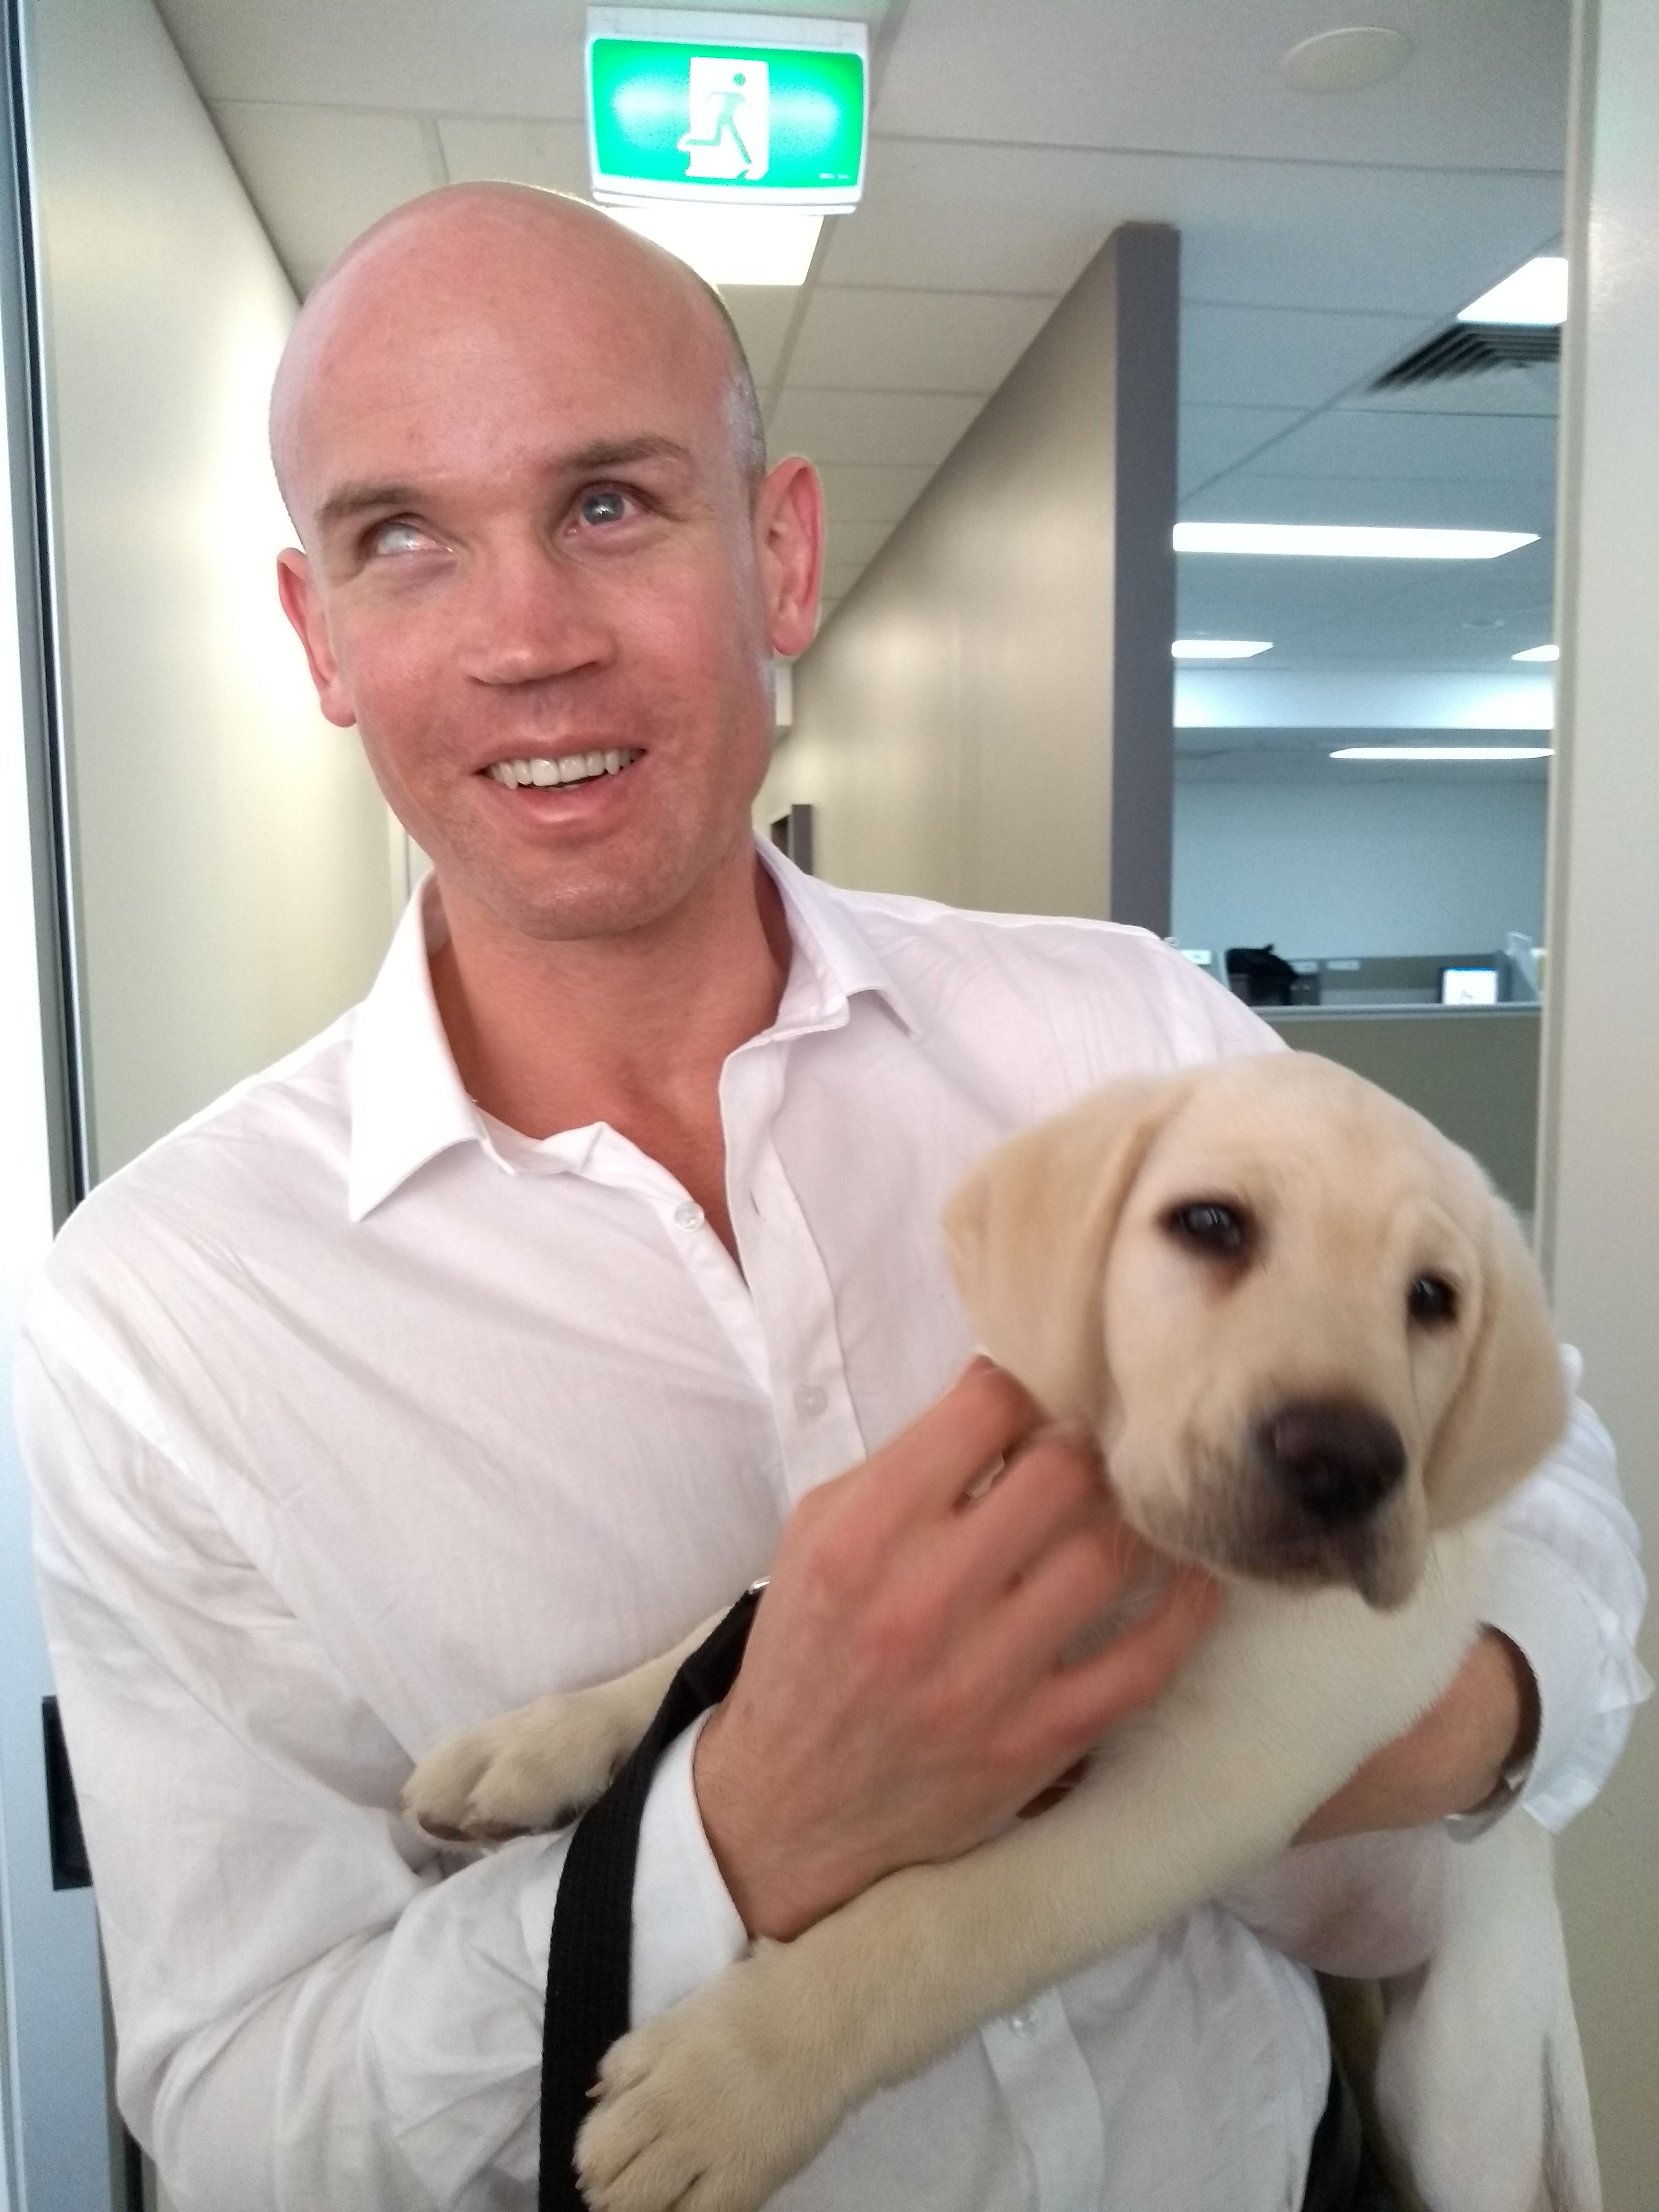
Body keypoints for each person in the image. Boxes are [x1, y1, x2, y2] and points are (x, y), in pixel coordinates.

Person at [15, 185, 1646, 2212]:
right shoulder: (159, 1311)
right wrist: (748, 1833)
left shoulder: (1123, 1028)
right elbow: (254, 2120)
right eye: (403, 539)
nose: (528, 636)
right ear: (316, 634)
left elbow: (1545, 1472)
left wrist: (1383, 1729)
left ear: (774, 548)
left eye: (609, 503)